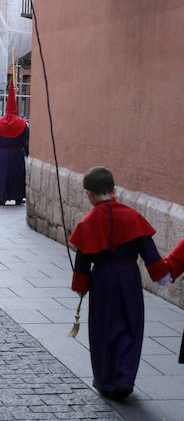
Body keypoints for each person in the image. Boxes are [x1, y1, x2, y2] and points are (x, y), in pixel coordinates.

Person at [69, 166, 170, 401]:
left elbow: (82, 260)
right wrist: (162, 275)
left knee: (103, 329)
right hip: (128, 278)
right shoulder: (133, 217)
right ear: (114, 190)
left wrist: (80, 286)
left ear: (88, 194)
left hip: (103, 280)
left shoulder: (87, 223)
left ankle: (105, 379)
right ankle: (124, 378)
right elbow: (149, 252)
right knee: (130, 325)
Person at [0, 81, 29, 205]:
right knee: (16, 175)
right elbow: (26, 138)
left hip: (3, 152)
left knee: (2, 174)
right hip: (17, 153)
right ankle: (18, 196)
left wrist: (2, 145)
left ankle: (1, 196)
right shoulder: (22, 123)